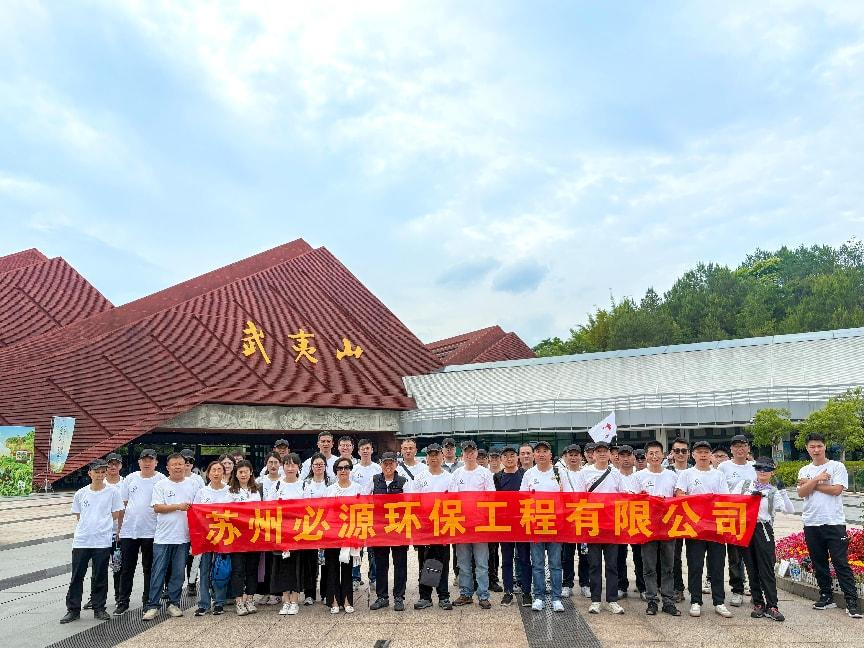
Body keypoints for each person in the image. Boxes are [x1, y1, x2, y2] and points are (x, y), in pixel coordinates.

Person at [797, 432, 862, 617]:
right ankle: (826, 596)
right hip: (811, 522)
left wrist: (811, 483)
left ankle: (851, 601)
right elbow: (801, 493)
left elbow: (836, 490)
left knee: (840, 562)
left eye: (819, 446)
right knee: (819, 562)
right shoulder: (804, 470)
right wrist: (817, 479)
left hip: (834, 522)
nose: (816, 450)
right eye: (812, 446)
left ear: (825, 446)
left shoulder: (837, 466)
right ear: (807, 448)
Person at [60, 460, 124, 624]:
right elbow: (79, 515)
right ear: (90, 473)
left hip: (102, 540)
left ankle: (99, 608)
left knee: (100, 575)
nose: (100, 475)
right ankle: (73, 609)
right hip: (82, 540)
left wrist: (102, 524)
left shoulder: (113, 492)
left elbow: (116, 513)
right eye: (97, 472)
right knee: (77, 576)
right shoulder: (81, 493)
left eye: (103, 472)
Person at [674, 440, 732, 619]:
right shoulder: (686, 474)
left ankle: (719, 601)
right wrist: (698, 501)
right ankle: (695, 601)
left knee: (717, 565)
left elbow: (724, 498)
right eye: (699, 452)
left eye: (706, 452)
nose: (703, 455)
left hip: (715, 528)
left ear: (711, 455)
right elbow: (679, 495)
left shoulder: (718, 475)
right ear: (693, 455)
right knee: (695, 565)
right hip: (695, 528)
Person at [731, 457, 794, 621]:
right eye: (759, 468)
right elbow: (730, 501)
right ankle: (758, 603)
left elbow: (789, 510)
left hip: (763, 529)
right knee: (751, 568)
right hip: (745, 528)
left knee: (766, 568)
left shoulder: (772, 491)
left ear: (772, 472)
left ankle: (772, 605)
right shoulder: (744, 485)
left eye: (767, 469)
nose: (763, 471)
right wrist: (748, 499)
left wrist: (783, 491)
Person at [142, 453, 199, 621]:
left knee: (178, 573)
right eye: (174, 464)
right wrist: (178, 506)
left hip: (183, 537)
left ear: (185, 466)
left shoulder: (193, 484)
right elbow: (157, 507)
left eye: (181, 464)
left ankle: (174, 604)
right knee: (158, 572)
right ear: (167, 467)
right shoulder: (161, 485)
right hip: (163, 537)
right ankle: (153, 605)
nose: (178, 467)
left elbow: (199, 507)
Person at [572, 440, 626, 615]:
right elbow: (579, 498)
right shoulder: (585, 472)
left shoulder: (616, 473)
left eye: (605, 451)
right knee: (594, 564)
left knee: (612, 565)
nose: (602, 454)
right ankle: (595, 600)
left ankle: (612, 600)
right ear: (593, 454)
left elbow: (624, 496)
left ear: (610, 454)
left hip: (611, 525)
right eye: (598, 451)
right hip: (592, 524)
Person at [631, 440, 680, 616]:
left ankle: (668, 601)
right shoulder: (638, 476)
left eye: (657, 453)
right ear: (646, 456)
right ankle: (652, 600)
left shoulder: (672, 475)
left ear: (663, 455)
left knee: (668, 566)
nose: (654, 456)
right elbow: (633, 500)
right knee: (649, 566)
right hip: (648, 527)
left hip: (668, 526)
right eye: (650, 453)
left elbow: (679, 498)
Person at [115, 449, 164, 616]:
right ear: (139, 462)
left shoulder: (161, 480)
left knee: (149, 568)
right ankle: (123, 601)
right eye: (144, 460)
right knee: (126, 568)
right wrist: (120, 529)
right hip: (130, 530)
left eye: (150, 460)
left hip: (152, 531)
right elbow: (123, 505)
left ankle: (148, 601)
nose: (147, 463)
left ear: (156, 462)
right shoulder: (130, 478)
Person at [520, 440, 565, 613]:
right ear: (534, 455)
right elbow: (522, 499)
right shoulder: (529, 474)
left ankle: (556, 598)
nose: (541, 454)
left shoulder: (559, 472)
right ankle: (538, 596)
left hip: (555, 526)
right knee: (537, 564)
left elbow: (567, 497)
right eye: (538, 451)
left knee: (555, 564)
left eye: (545, 451)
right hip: (536, 526)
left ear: (550, 454)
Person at [451, 440, 496, 609]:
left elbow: (491, 497)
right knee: (463, 563)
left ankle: (483, 595)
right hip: (461, 525)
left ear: (477, 453)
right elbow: (452, 499)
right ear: (462, 454)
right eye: (466, 452)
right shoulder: (457, 474)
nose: (469, 455)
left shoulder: (485, 473)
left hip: (480, 525)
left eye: (472, 452)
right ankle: (465, 593)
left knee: (482, 563)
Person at [412, 444, 454, 610]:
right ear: (427, 458)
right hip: (425, 526)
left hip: (443, 525)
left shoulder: (449, 478)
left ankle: (444, 596)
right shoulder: (420, 477)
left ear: (442, 456)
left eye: (437, 454)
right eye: (431, 455)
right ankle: (425, 596)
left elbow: (455, 501)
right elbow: (414, 502)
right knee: (426, 561)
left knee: (442, 560)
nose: (434, 457)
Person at [717, 434, 755, 607]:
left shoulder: (755, 467)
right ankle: (737, 590)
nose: (740, 449)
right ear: (731, 449)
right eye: (736, 446)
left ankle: (755, 589)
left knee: (754, 555)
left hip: (752, 518)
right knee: (735, 557)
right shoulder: (723, 467)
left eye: (743, 445)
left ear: (748, 448)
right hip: (732, 517)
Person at [370, 452, 410, 611]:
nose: (388, 466)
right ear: (381, 464)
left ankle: (399, 597)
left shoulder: (403, 481)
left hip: (398, 528)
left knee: (400, 564)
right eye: (385, 463)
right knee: (381, 564)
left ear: (396, 464)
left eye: (391, 463)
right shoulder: (374, 481)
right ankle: (382, 597)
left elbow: (411, 503)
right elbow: (365, 501)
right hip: (380, 529)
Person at [193, 461, 232, 616]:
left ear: (224, 473)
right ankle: (204, 603)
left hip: (224, 535)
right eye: (213, 470)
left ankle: (219, 602)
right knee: (204, 569)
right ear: (208, 473)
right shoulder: (202, 492)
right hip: (206, 536)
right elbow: (195, 514)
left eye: (219, 470)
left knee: (220, 569)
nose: (216, 473)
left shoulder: (230, 491)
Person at [495, 445, 530, 607]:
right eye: (505, 456)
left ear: (517, 457)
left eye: (512, 455)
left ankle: (527, 592)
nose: (509, 458)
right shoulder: (497, 477)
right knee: (507, 559)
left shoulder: (525, 474)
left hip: (522, 523)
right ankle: (508, 591)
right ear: (501, 459)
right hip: (505, 524)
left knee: (524, 559)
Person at [324, 457, 360, 614]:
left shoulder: (358, 488)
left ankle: (347, 600)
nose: (343, 471)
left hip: (350, 533)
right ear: (336, 471)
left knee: (347, 567)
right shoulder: (329, 490)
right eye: (340, 468)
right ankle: (333, 600)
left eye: (346, 467)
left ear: (350, 470)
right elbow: (324, 512)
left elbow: (362, 510)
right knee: (332, 567)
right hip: (332, 533)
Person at [227, 460, 262, 616]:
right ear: (236, 474)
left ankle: (250, 598)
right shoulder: (230, 491)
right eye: (240, 472)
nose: (243, 474)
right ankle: (239, 601)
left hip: (254, 536)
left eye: (246, 472)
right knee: (238, 569)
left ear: (251, 472)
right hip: (236, 536)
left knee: (252, 569)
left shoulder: (256, 491)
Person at [272, 453, 306, 616]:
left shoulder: (304, 485)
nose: (290, 468)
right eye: (287, 465)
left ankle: (295, 600)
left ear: (298, 467)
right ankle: (285, 600)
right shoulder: (277, 485)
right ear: (283, 467)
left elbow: (309, 509)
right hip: (281, 532)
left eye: (293, 465)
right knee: (282, 567)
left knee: (296, 566)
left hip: (298, 533)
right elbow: (270, 507)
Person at [349, 438, 381, 589]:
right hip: (357, 512)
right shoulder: (353, 469)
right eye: (363, 449)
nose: (365, 451)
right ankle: (355, 577)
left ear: (372, 450)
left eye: (368, 448)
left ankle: (373, 577)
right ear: (358, 451)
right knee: (357, 547)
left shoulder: (378, 468)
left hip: (374, 512)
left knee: (373, 548)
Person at [559, 444, 589, 599]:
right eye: (570, 455)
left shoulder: (587, 474)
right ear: (565, 457)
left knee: (585, 554)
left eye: (576, 455)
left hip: (584, 518)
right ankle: (567, 584)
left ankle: (585, 584)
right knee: (567, 554)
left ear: (581, 457)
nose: (573, 458)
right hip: (567, 519)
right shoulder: (560, 474)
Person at [302, 452, 332, 605]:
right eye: (316, 465)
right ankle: (309, 594)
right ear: (311, 467)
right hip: (311, 526)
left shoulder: (332, 482)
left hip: (327, 527)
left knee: (326, 562)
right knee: (310, 562)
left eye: (321, 464)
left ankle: (326, 593)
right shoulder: (305, 483)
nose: (319, 467)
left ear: (325, 466)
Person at [615, 445, 645, 600]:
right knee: (619, 555)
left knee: (639, 556)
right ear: (617, 458)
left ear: (633, 458)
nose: (626, 459)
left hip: (637, 520)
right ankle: (621, 585)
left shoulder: (641, 476)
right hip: (618, 520)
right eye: (622, 456)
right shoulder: (613, 476)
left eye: (628, 456)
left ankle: (642, 586)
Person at [668, 437, 691, 602]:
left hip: (693, 519)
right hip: (673, 520)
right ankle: (677, 588)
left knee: (694, 556)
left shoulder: (695, 470)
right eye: (677, 451)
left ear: (689, 453)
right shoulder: (666, 472)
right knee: (674, 556)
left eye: (684, 451)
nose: (680, 454)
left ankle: (696, 590)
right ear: (672, 453)